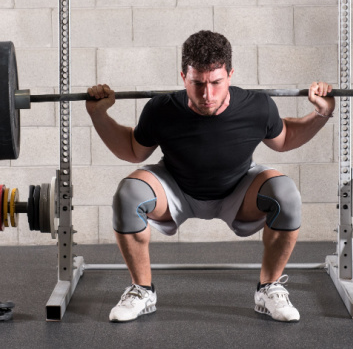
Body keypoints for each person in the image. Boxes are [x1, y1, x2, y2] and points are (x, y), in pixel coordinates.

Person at [86, 30, 335, 323]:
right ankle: (142, 291)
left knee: (286, 193)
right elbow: (132, 149)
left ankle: (269, 289)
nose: (207, 94)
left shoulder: (257, 106)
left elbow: (285, 138)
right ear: (183, 77)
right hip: (176, 190)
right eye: (197, 83)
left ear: (230, 74)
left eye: (216, 83)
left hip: (238, 192)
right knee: (128, 194)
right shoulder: (161, 109)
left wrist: (322, 114)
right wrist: (98, 116)